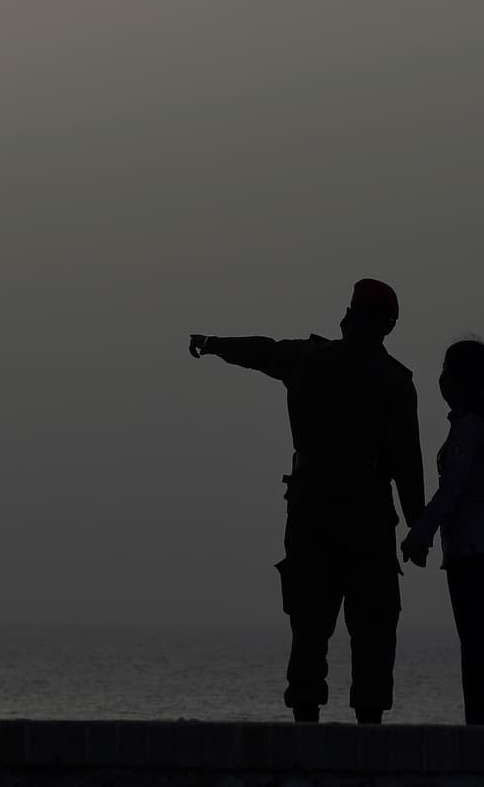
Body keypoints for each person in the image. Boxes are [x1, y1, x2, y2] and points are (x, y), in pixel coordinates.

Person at [189, 279, 424, 724]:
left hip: (314, 512)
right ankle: (366, 726)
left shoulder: (309, 360)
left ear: (354, 315)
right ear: (388, 327)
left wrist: (212, 343)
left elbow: (261, 351)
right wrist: (418, 525)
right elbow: (407, 464)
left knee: (312, 623)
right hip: (366, 518)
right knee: (369, 627)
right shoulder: (394, 381)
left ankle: (307, 722)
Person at [400, 339, 484, 725]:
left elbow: (451, 492)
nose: (441, 379)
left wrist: (419, 535)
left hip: (471, 549)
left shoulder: (467, 428)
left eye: (447, 370)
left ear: (459, 378)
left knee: (477, 645)